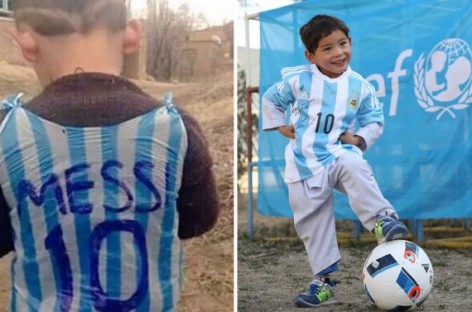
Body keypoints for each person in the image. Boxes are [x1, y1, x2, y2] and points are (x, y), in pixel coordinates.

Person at [0, 0, 219, 311]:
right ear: (132, 35)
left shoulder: (6, 133)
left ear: (26, 43)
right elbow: (199, 220)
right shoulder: (176, 130)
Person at [262, 14, 408, 308]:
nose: (338, 53)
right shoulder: (298, 80)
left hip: (336, 154)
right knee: (312, 224)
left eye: (342, 44)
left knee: (354, 165)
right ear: (311, 55)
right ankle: (323, 284)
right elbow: (270, 100)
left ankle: (382, 220)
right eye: (327, 48)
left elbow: (374, 118)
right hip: (303, 164)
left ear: (350, 43)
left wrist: (358, 139)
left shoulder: (359, 85)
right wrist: (280, 126)